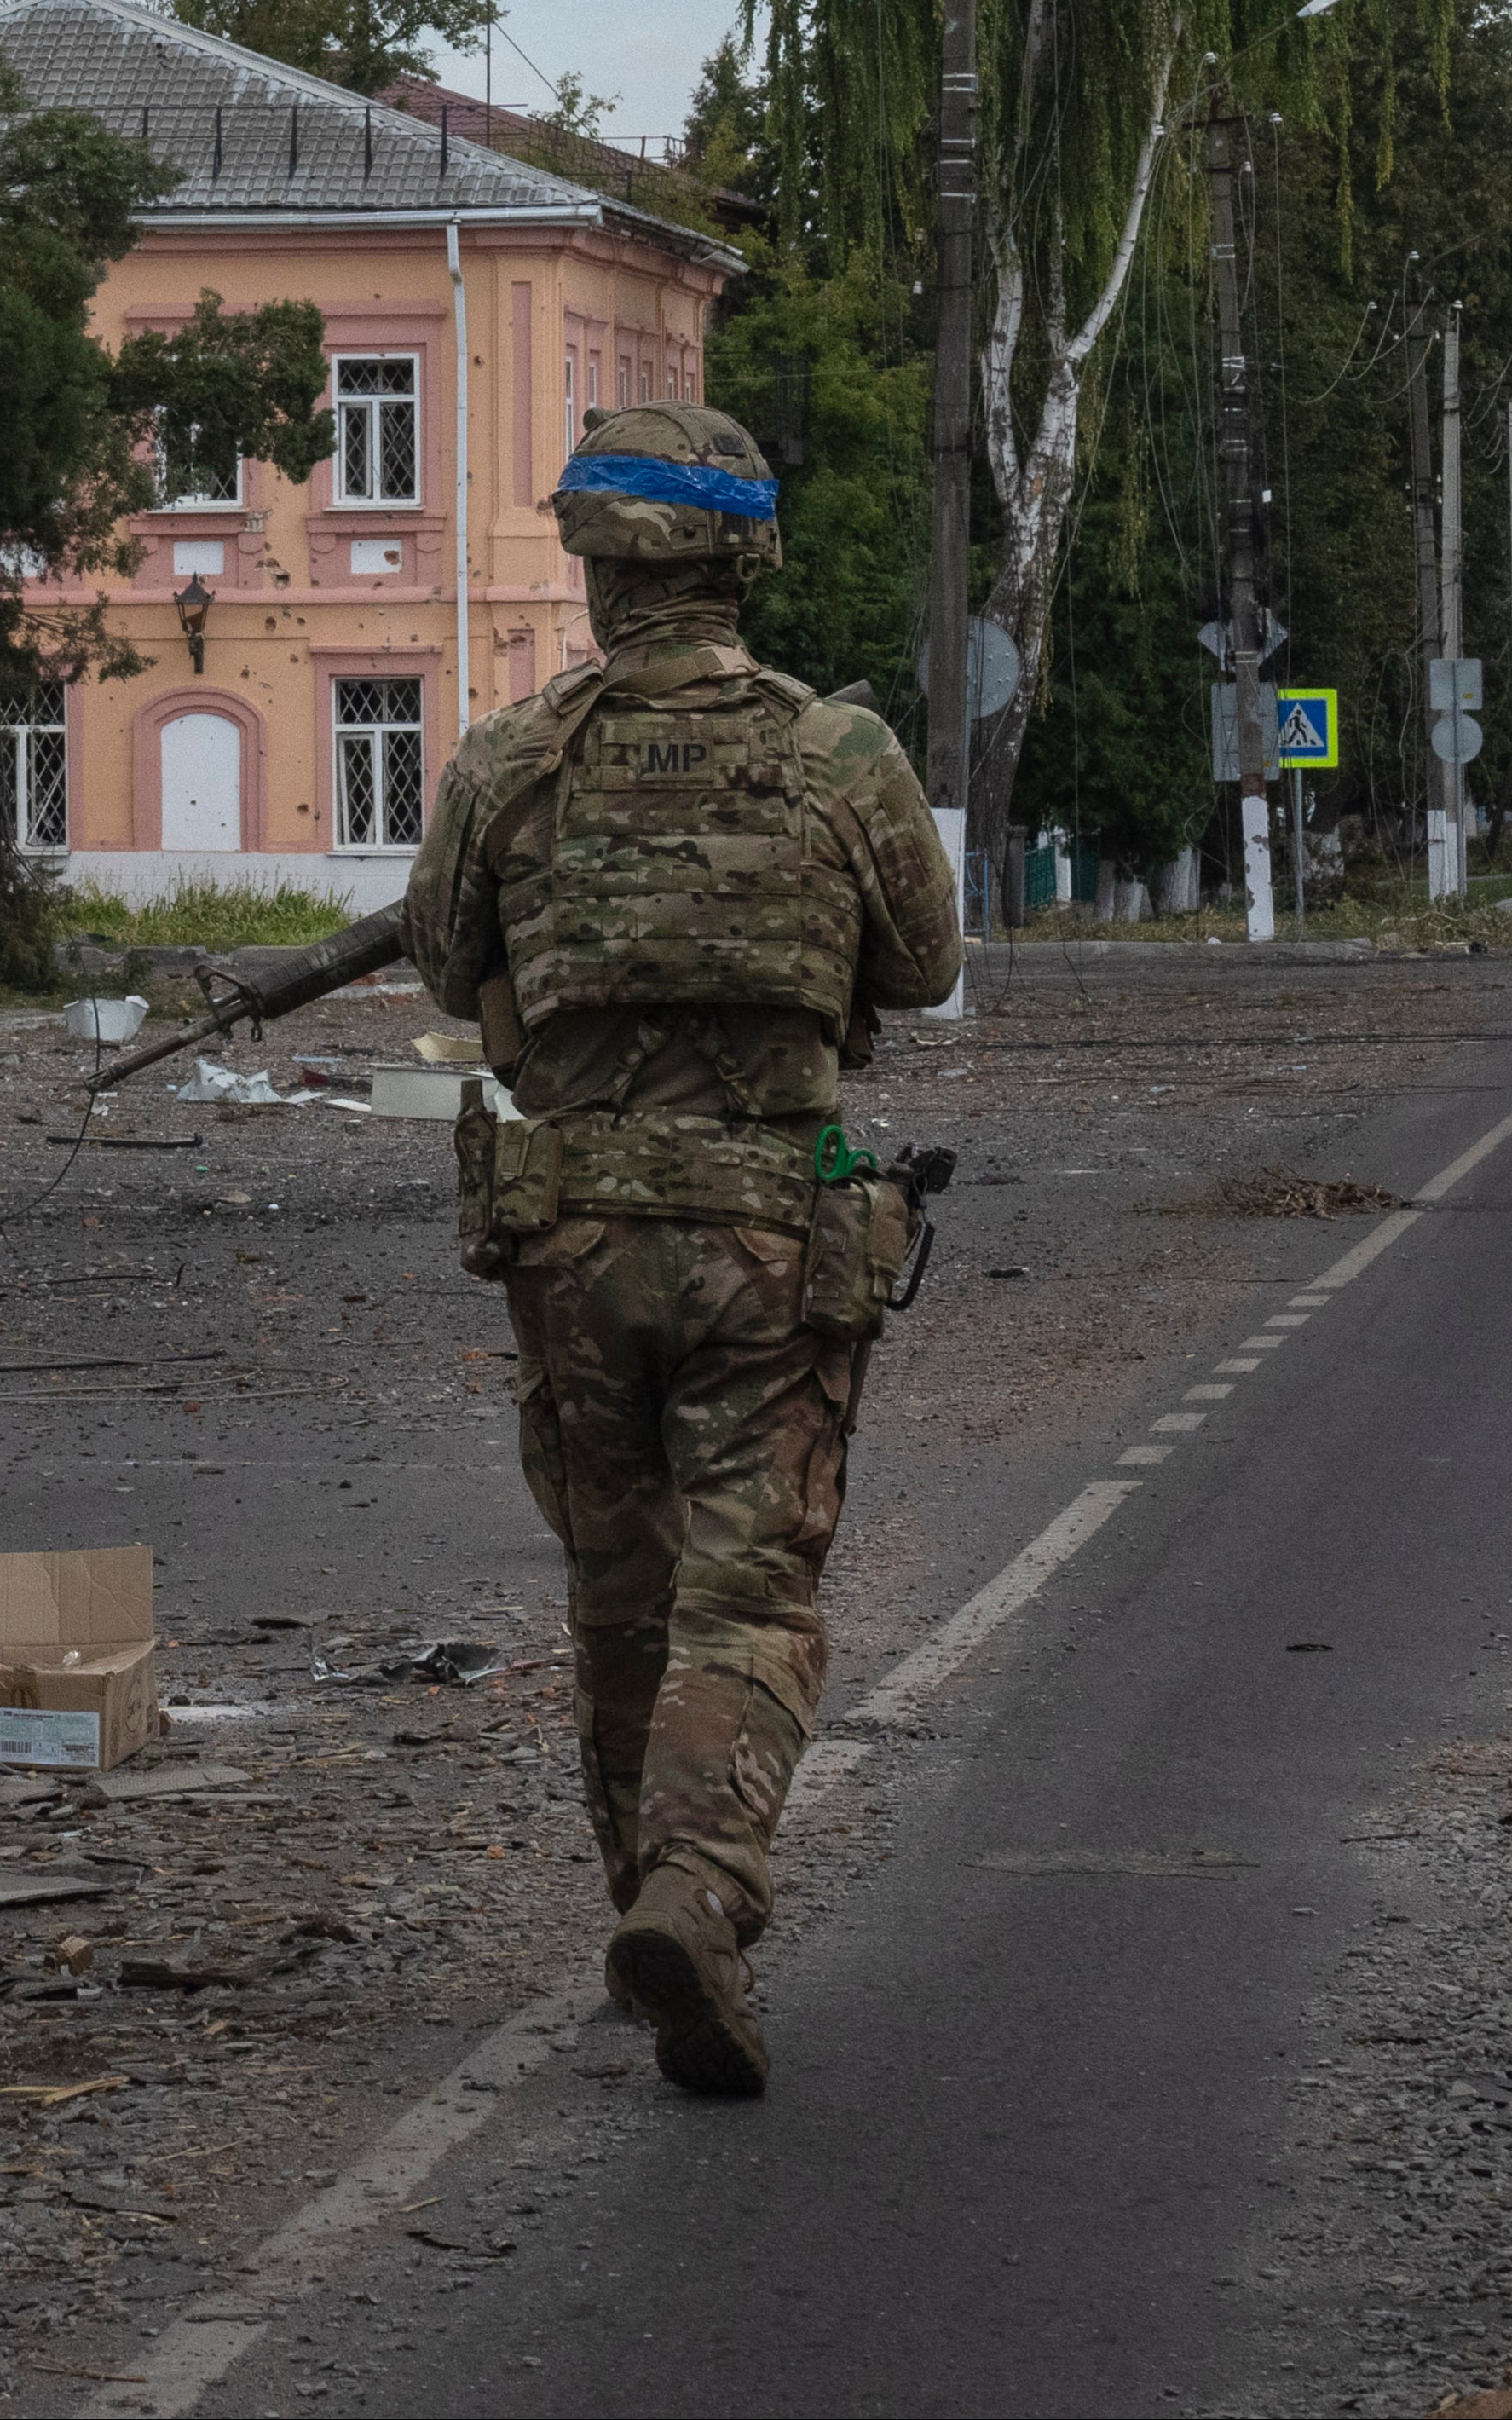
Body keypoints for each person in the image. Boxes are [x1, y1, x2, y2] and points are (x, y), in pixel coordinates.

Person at [402, 405, 966, 2101]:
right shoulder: (837, 752)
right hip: (764, 1242)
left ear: (591, 565)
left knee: (620, 1584)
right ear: (744, 558)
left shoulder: (508, 760)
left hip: (567, 1235)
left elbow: (444, 962)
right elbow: (925, 961)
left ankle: (637, 1906)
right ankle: (697, 1891)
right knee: (749, 1587)